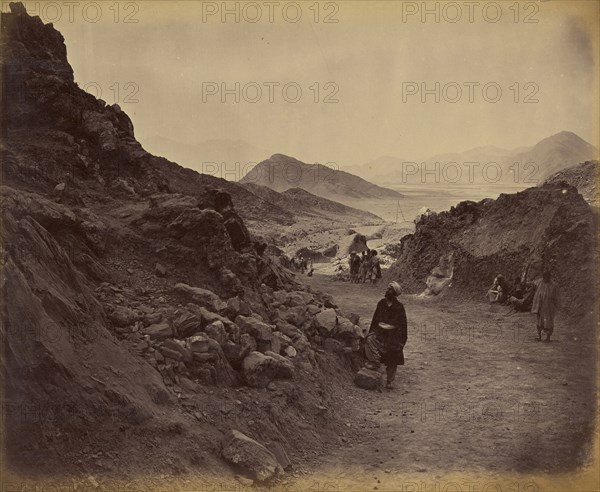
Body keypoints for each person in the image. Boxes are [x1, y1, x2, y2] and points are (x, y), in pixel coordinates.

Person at [364, 281, 407, 389]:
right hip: (380, 332)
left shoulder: (399, 307)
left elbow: (403, 325)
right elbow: (375, 319)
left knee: (394, 354)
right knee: (370, 339)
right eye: (387, 289)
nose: (387, 291)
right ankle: (375, 362)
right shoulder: (381, 303)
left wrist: (401, 341)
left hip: (393, 335)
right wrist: (372, 331)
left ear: (395, 293)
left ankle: (389, 381)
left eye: (390, 290)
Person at [531, 270, 560, 342]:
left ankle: (548, 337)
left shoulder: (554, 286)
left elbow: (556, 297)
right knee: (539, 321)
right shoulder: (539, 282)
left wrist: (556, 306)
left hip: (549, 307)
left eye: (547, 277)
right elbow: (532, 283)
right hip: (540, 306)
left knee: (548, 322)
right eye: (544, 277)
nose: (545, 278)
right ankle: (539, 336)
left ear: (549, 277)